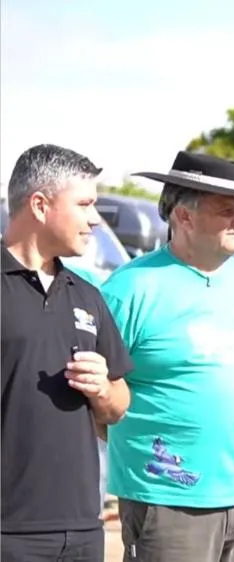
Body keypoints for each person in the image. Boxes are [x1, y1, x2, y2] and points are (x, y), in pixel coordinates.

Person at [100, 150, 234, 561]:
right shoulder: (131, 288)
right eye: (226, 210)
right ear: (183, 216)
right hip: (168, 501)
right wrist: (146, 452)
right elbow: (96, 395)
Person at [1, 144, 133, 561]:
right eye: (84, 204)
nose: (94, 218)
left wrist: (101, 392)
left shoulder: (88, 295)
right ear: (40, 205)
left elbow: (118, 405)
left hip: (81, 530)